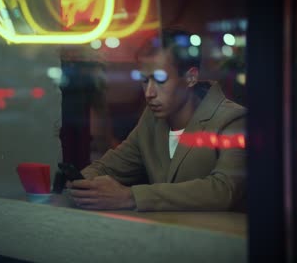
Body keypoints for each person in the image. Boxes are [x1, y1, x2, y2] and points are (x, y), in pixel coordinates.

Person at [67, 28, 247, 211]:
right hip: (161, 234)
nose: (149, 93)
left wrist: (131, 197)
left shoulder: (232, 119)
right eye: (144, 80)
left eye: (160, 79)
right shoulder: (151, 120)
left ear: (191, 77)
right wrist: (80, 182)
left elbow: (223, 190)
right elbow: (112, 166)